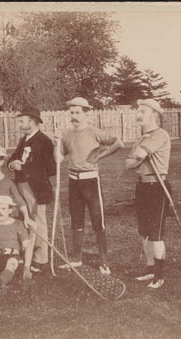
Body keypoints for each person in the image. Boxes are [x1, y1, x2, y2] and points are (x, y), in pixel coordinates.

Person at [54, 97, 124, 274]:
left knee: (97, 222)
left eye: (78, 112)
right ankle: (76, 259)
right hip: (73, 182)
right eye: (72, 112)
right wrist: (57, 142)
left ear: (86, 114)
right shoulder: (66, 134)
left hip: (91, 181)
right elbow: (59, 159)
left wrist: (100, 156)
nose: (74, 115)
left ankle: (104, 262)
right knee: (76, 222)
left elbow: (119, 143)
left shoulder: (94, 132)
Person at [124, 99, 171, 289]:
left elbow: (138, 156)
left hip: (157, 186)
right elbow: (128, 163)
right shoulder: (141, 138)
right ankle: (150, 269)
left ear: (154, 115)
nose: (138, 114)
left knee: (156, 234)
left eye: (143, 111)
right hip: (142, 186)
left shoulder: (161, 134)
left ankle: (159, 276)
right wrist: (137, 158)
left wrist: (137, 158)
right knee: (143, 232)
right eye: (138, 111)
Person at [8, 106, 56, 273]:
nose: (20, 124)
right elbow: (14, 157)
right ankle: (26, 252)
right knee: (24, 218)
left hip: (37, 186)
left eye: (22, 121)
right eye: (20, 121)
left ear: (33, 121)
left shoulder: (44, 141)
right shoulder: (24, 139)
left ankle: (41, 258)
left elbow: (51, 169)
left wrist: (25, 169)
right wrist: (12, 165)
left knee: (38, 220)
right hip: (21, 184)